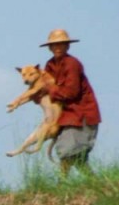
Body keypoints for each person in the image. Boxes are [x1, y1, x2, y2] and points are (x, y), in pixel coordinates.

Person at [40, 28, 101, 174]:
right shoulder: (50, 65)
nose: (57, 48)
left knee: (68, 150)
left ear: (68, 46)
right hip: (65, 115)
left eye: (61, 44)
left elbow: (71, 92)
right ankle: (95, 184)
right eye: (54, 45)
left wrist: (50, 90)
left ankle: (62, 184)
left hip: (81, 114)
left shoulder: (72, 64)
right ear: (49, 48)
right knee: (78, 157)